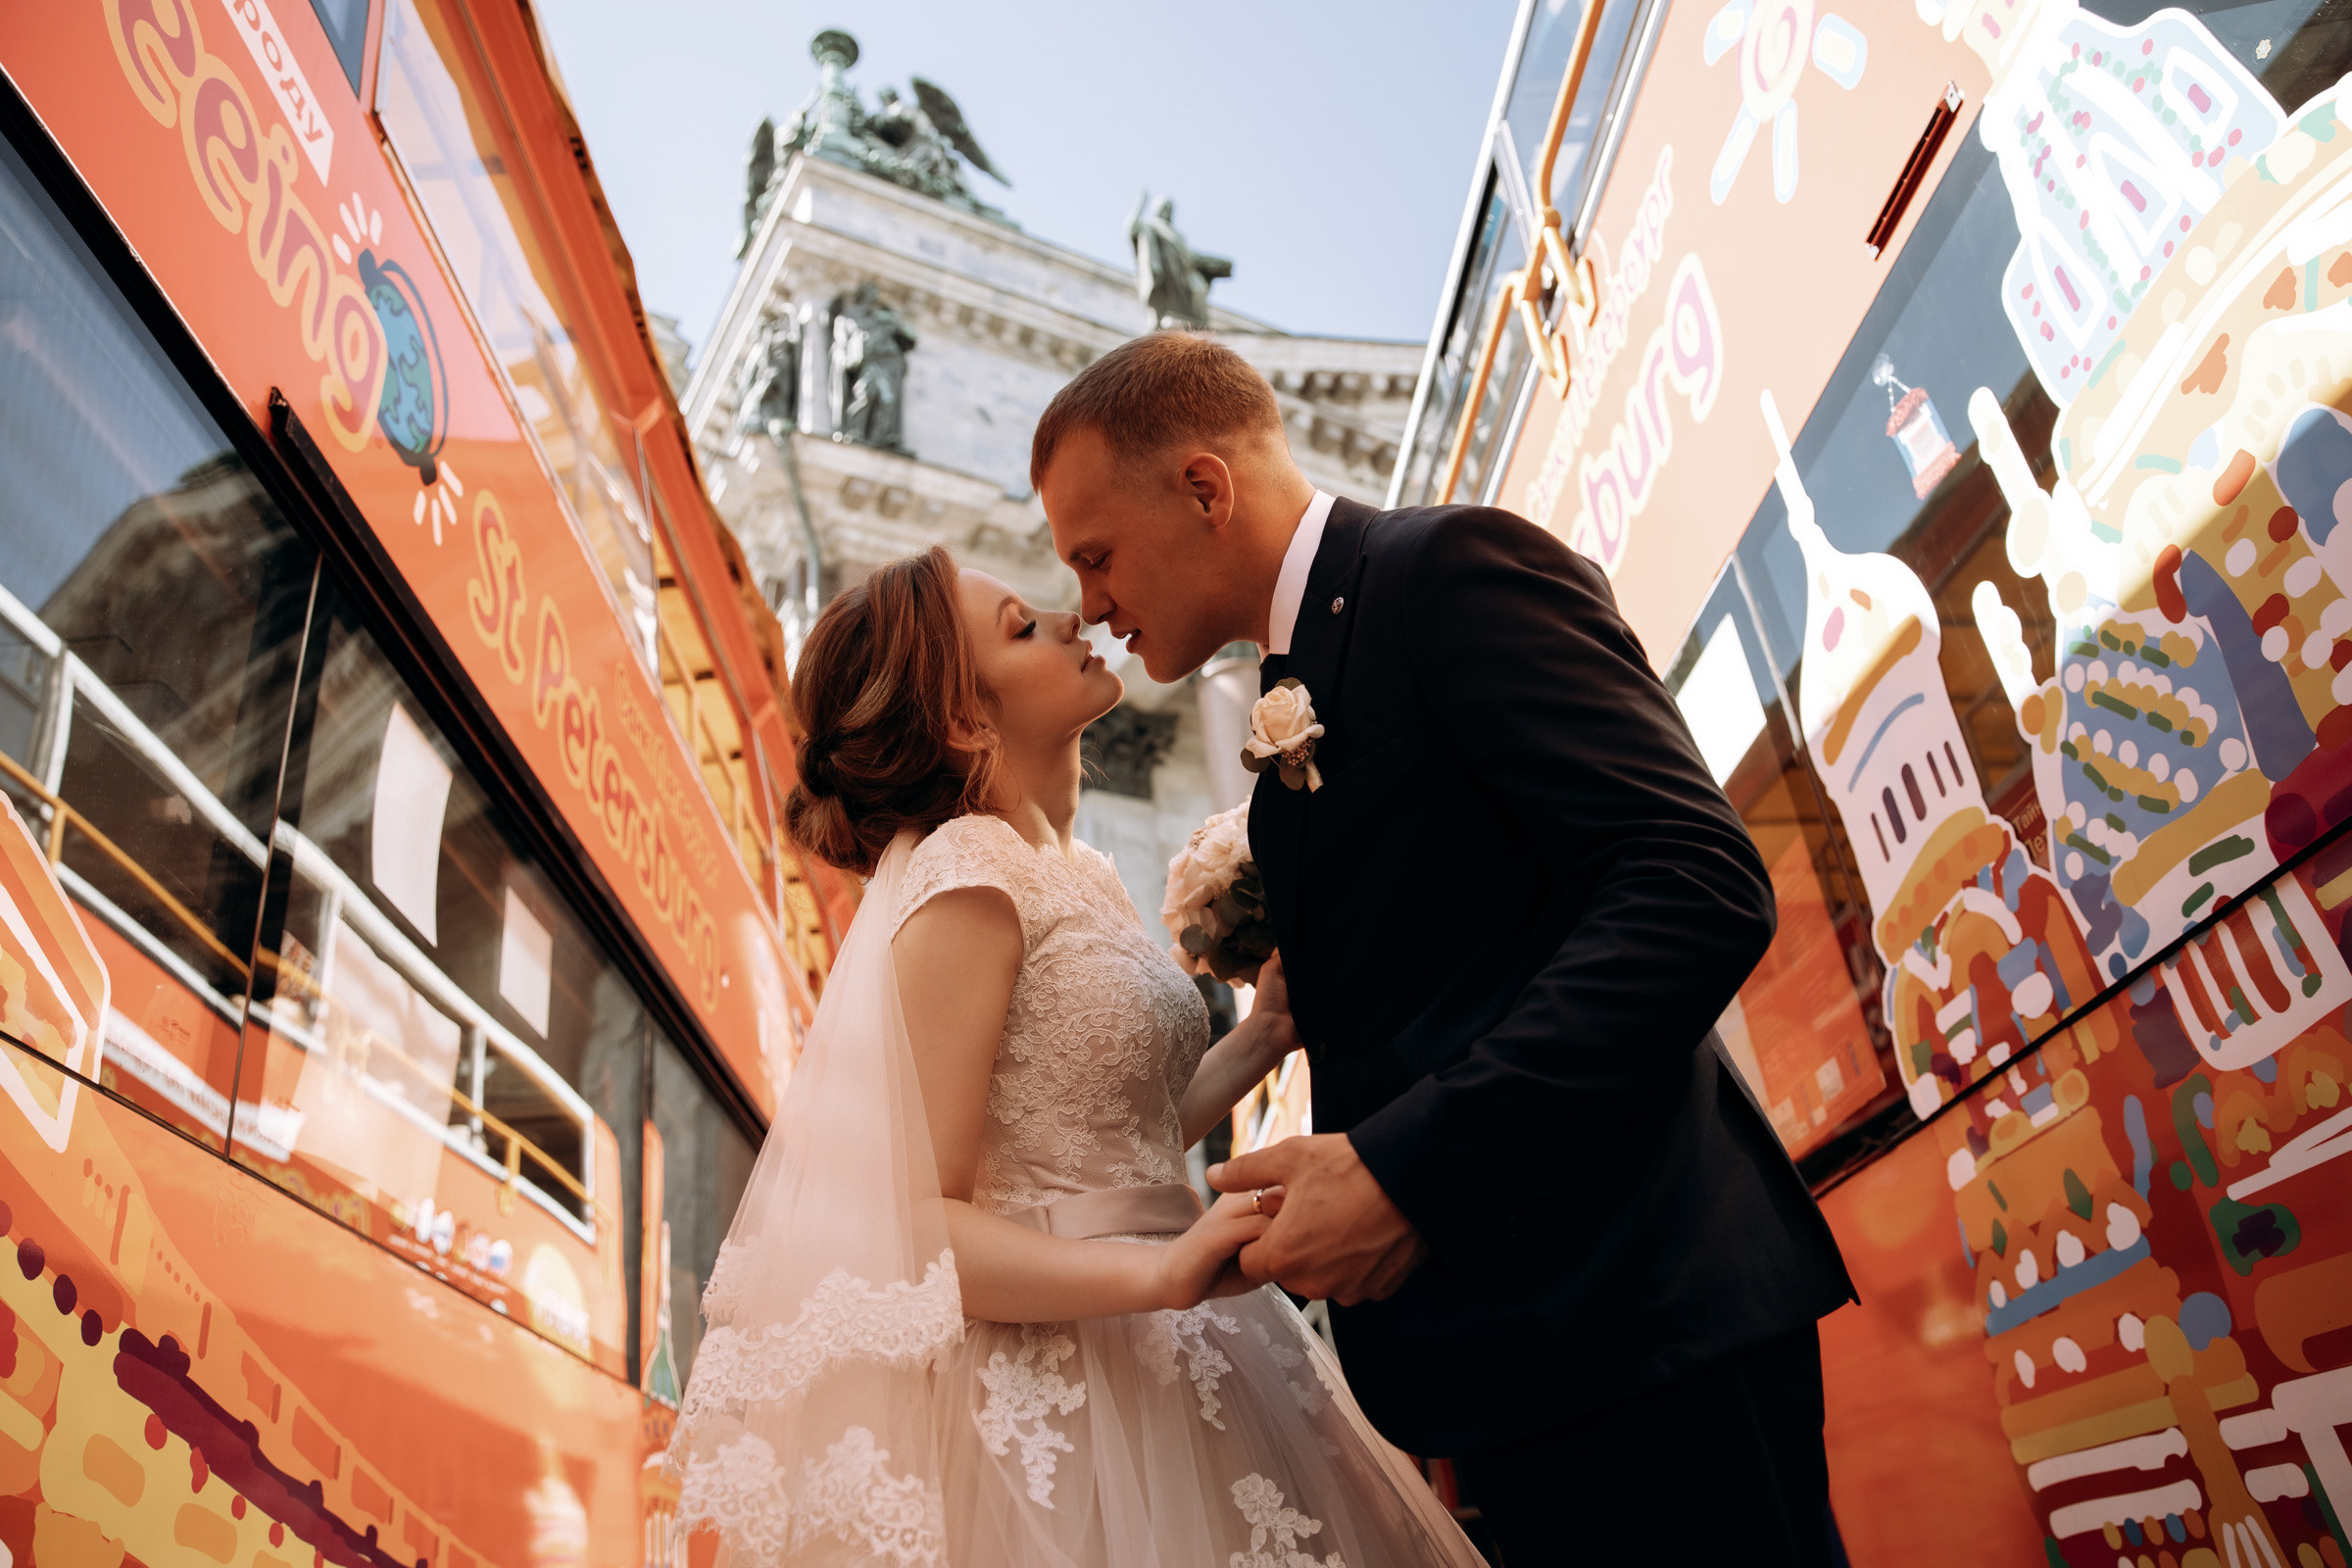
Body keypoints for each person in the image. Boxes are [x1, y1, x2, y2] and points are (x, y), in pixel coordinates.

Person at [1030, 332, 1859, 1567]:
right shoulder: (1300, 691)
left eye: (1095, 556)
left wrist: (1403, 1173)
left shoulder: (1450, 570)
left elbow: (1695, 883)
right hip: (1519, 1371)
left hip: (1643, 1340)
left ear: (1205, 488)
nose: (1088, 604)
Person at [665, 546, 1486, 1565]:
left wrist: (1267, 1032)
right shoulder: (967, 873)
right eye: (1019, 625)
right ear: (966, 719)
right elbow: (913, 1225)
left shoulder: (1079, 874)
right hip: (1070, 1378)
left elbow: (1112, 1129)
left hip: (1185, 1335)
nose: (1067, 615)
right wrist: (1159, 1271)